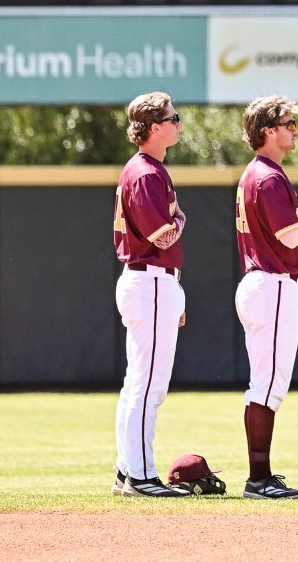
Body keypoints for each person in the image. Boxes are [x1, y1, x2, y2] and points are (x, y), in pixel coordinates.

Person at [112, 91, 192, 498]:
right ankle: (140, 475)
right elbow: (162, 235)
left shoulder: (149, 169)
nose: (178, 122)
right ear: (154, 127)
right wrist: (180, 218)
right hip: (149, 278)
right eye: (172, 117)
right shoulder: (145, 172)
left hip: (153, 281)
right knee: (149, 385)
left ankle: (127, 469)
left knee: (138, 382)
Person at [233, 94, 298, 500]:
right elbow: (290, 233)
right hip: (273, 283)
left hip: (263, 283)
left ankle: (262, 476)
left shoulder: (259, 173)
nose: (294, 128)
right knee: (267, 386)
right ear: (267, 131)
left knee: (266, 383)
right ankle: (258, 479)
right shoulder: (267, 176)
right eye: (287, 122)